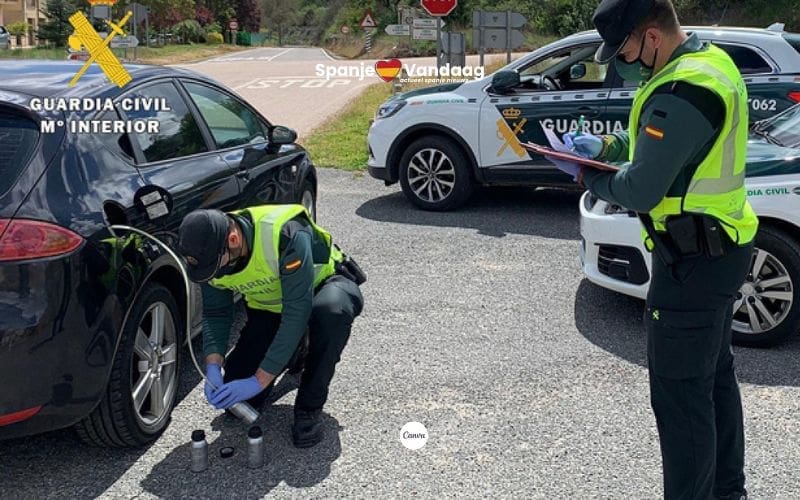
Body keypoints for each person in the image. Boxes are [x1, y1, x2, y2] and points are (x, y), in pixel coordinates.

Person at [554, 1, 758, 498]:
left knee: (681, 398)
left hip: (692, 263)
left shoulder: (683, 87)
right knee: (712, 380)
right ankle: (728, 491)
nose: (618, 61)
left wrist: (585, 176)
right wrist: (602, 152)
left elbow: (644, 188)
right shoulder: (708, 63)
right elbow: (659, 151)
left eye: (621, 49)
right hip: (718, 251)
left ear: (650, 37)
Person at [177, 204, 365, 448]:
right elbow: (216, 312)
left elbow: (297, 312)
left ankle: (309, 405)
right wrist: (213, 365)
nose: (215, 274)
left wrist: (260, 380)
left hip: (322, 289)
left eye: (216, 266)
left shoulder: (285, 234)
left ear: (233, 239)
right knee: (239, 405)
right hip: (270, 309)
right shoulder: (209, 255)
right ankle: (294, 349)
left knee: (331, 312)